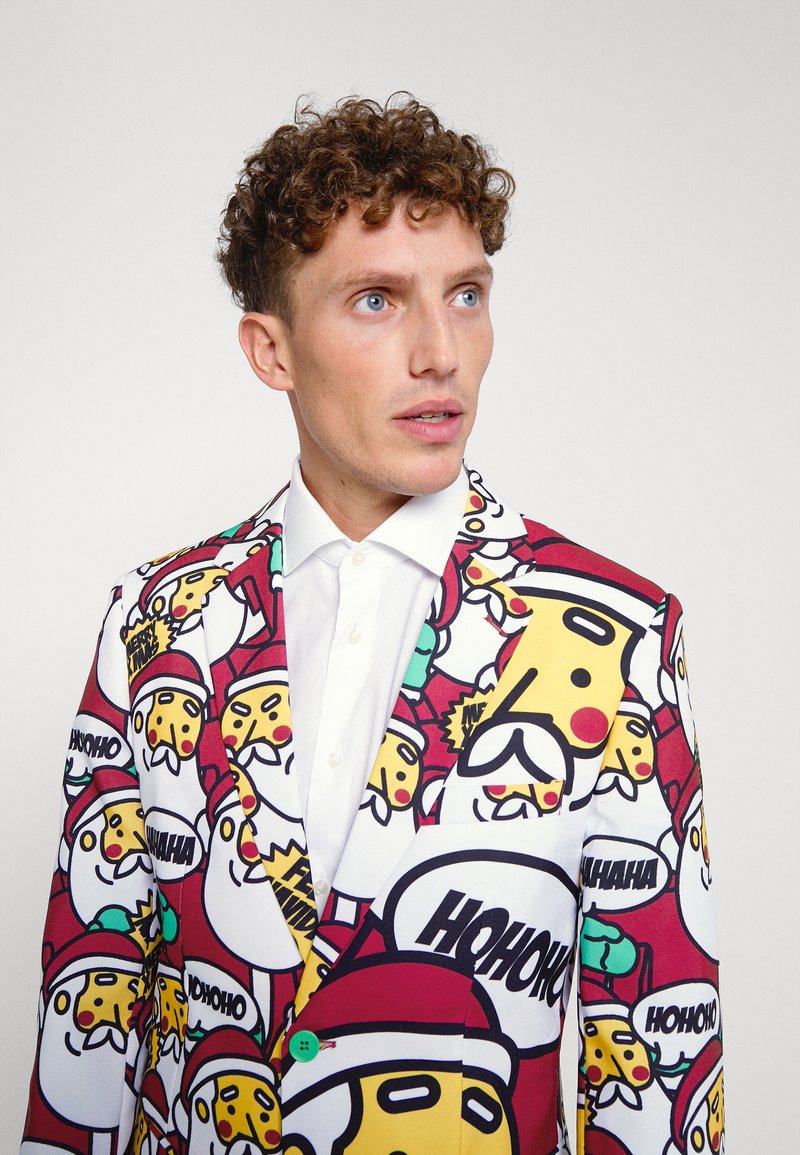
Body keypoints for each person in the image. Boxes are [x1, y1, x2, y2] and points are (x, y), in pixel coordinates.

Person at [21, 94, 723, 1155]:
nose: (441, 352)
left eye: (466, 295)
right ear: (271, 350)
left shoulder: (619, 635)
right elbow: (94, 993)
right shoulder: (155, 621)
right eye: (376, 300)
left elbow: (660, 1064)